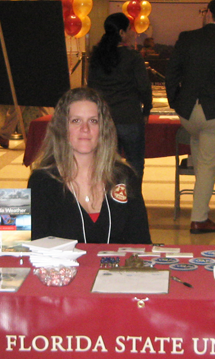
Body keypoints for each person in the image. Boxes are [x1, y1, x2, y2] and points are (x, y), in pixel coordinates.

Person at [27, 87, 151, 244]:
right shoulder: (42, 182)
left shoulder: (124, 177)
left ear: (103, 129)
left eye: (93, 121)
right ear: (62, 129)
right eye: (76, 121)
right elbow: (34, 248)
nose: (85, 129)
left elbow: (142, 244)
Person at [165, 0, 215, 234]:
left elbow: (172, 74)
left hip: (188, 113)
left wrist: (176, 103)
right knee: (208, 165)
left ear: (209, 13)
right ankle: (199, 219)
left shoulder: (187, 38)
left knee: (200, 154)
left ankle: (200, 211)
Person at [87, 13, 152, 181]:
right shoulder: (133, 58)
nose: (133, 32)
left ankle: (111, 202)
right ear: (122, 33)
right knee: (135, 162)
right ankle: (133, 201)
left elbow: (91, 89)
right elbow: (144, 87)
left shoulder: (97, 57)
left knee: (107, 165)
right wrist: (147, 110)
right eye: (130, 28)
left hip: (105, 119)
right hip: (130, 117)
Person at [0, 0, 43, 148]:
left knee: (33, 103)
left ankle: (5, 134)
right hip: (22, 69)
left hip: (35, 69)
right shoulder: (17, 22)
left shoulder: (38, 22)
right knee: (23, 101)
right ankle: (6, 135)